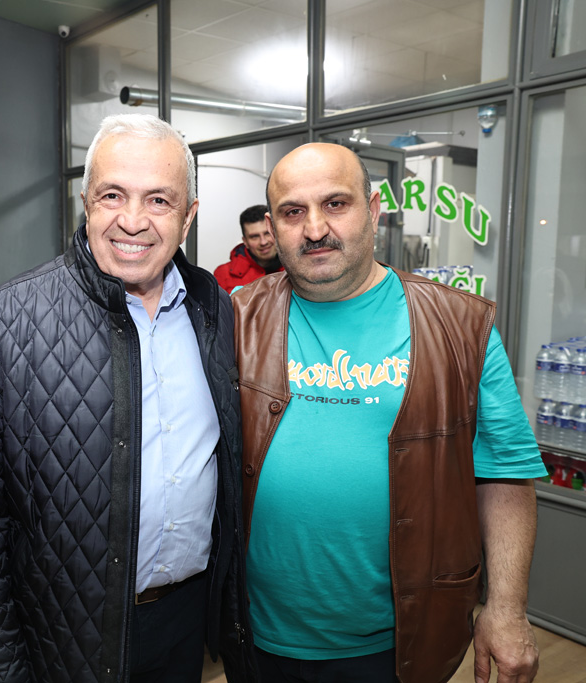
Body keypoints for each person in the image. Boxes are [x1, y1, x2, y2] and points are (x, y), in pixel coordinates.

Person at [0, 114, 255, 683]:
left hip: (186, 621)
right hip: (63, 635)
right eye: (113, 195)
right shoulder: (6, 321)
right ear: (85, 202)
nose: (132, 221)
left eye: (158, 200)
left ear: (188, 217)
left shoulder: (212, 308)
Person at [232, 142, 545, 683]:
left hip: (402, 643)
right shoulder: (235, 320)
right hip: (257, 637)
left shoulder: (459, 327)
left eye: (336, 204)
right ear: (273, 226)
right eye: (293, 212)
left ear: (373, 210)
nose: (315, 229)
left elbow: (506, 474)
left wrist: (508, 607)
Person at [213, 204, 281, 293]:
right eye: (254, 236)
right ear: (245, 241)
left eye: (267, 233)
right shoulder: (223, 274)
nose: (263, 242)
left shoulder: (294, 267)